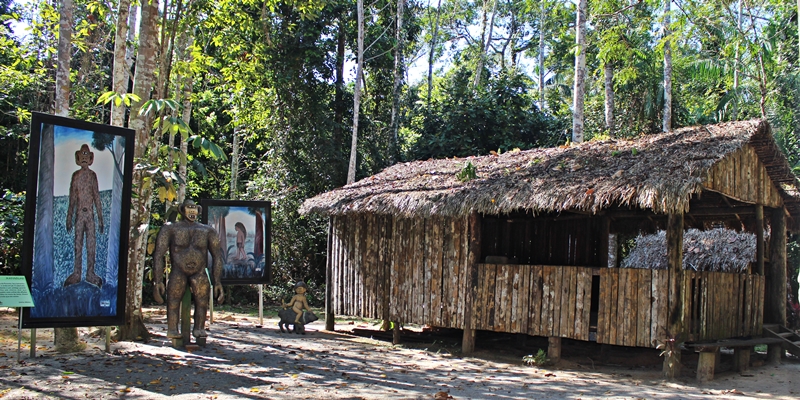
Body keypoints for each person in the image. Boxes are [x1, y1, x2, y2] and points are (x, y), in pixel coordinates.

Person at [153, 199, 224, 340]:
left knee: (202, 300)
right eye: (189, 208)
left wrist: (217, 282)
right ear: (182, 210)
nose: (192, 211)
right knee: (173, 299)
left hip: (199, 271)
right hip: (179, 269)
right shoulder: (170, 229)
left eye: (194, 208)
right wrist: (158, 281)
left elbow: (217, 257)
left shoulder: (207, 231)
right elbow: (159, 254)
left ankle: (199, 328)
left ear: (198, 210)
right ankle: (172, 329)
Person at [65, 144, 104, 287]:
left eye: (87, 156)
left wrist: (100, 218)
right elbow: (72, 198)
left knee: (91, 244)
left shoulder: (93, 176)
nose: (84, 159)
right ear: (78, 158)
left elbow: (96, 197)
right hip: (79, 214)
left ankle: (90, 273)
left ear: (91, 159)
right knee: (78, 244)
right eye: (82, 156)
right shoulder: (76, 176)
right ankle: (77, 273)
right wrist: (69, 217)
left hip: (90, 215)